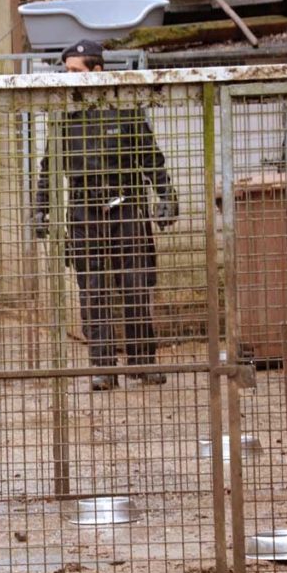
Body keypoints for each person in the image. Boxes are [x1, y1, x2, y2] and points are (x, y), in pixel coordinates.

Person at [33, 39, 178, 391]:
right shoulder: (65, 117)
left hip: (126, 208)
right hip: (84, 213)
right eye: (65, 72)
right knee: (93, 292)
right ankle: (102, 368)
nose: (68, 79)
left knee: (134, 286)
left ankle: (142, 363)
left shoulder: (126, 110)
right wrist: (41, 209)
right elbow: (49, 167)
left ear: (98, 71)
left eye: (75, 72)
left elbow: (151, 158)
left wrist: (167, 197)